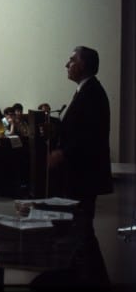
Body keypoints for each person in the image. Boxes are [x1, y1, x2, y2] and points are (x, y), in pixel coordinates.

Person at [33, 46, 113, 288]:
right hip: (79, 173)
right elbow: (79, 128)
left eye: (71, 60)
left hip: (83, 174)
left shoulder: (92, 93)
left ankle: (94, 281)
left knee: (82, 229)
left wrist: (62, 152)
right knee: (79, 229)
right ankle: (83, 277)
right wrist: (56, 131)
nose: (66, 64)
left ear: (84, 65)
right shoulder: (85, 91)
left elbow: (91, 136)